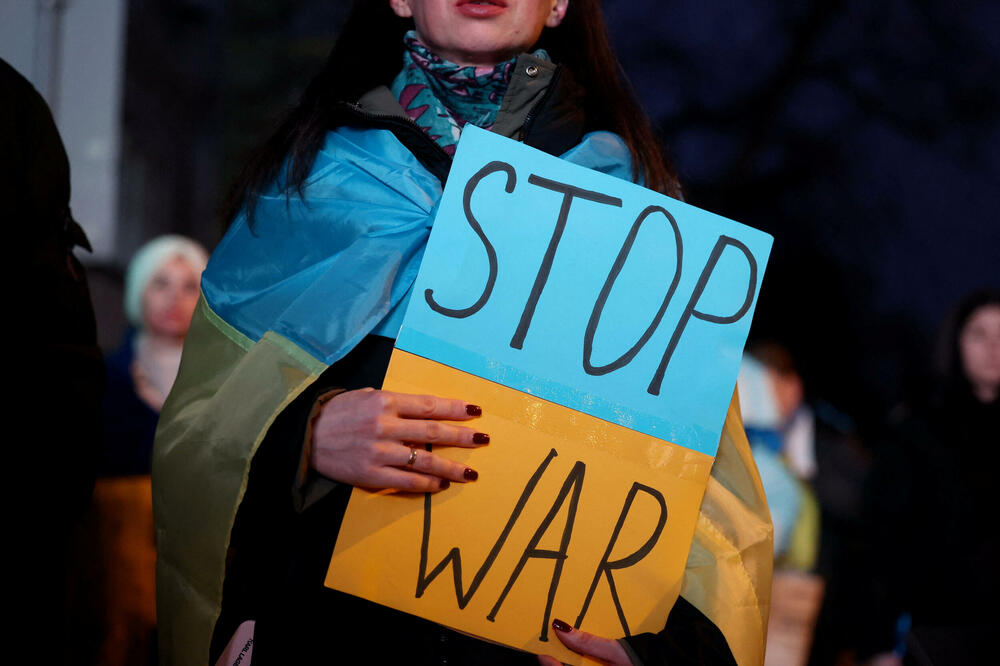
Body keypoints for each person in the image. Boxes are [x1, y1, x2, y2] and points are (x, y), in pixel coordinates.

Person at [153, 2, 773, 665]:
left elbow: (704, 503)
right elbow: (199, 433)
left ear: (559, 3)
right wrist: (301, 437)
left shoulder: (642, 211)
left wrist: (651, 653)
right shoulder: (306, 185)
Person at [859, 290, 1000, 665]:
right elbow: (879, 541)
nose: (993, 348)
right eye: (980, 334)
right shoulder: (918, 430)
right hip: (929, 637)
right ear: (956, 342)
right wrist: (877, 645)